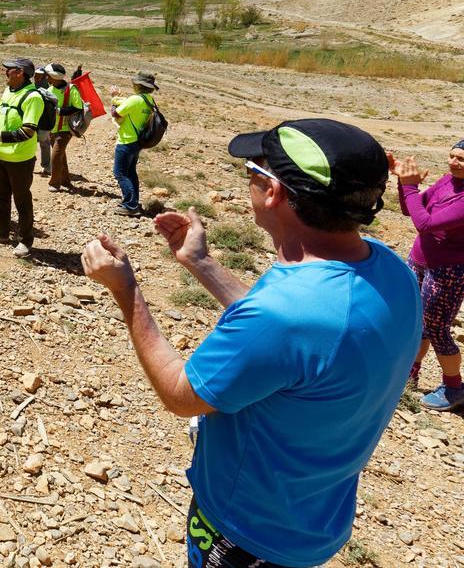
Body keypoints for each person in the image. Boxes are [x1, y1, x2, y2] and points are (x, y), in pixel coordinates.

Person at [81, 118, 419, 568]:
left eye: (253, 174)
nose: (250, 185)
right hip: (312, 519)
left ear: (274, 192)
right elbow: (293, 340)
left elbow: (181, 395)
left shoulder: (286, 313)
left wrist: (127, 290)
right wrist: (200, 262)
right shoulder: (387, 268)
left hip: (245, 530)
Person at [392, 141, 464, 412]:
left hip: (448, 270)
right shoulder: (448, 181)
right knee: (416, 321)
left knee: (437, 328)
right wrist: (403, 183)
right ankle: (409, 374)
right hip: (420, 259)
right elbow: (411, 209)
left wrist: (410, 186)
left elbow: (425, 223)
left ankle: (454, 386)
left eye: (461, 159)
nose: (453, 162)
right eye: (452, 156)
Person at [0, 58, 44, 258]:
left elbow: (28, 132)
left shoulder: (33, 97)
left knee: (22, 200)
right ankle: (2, 233)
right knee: (0, 197)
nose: (5, 72)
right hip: (0, 155)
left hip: (21, 159)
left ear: (20, 73)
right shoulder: (9, 91)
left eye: (9, 70)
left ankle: (25, 241)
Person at [109, 71, 158, 217]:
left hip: (126, 140)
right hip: (138, 141)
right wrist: (119, 98)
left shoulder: (135, 99)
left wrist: (113, 98)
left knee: (120, 173)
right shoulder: (149, 100)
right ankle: (133, 202)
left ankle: (130, 206)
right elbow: (129, 103)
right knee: (130, 173)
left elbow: (116, 113)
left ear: (138, 85)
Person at [43, 63, 84, 192]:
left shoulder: (71, 89)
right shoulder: (49, 90)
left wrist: (60, 111)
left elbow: (78, 107)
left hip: (65, 129)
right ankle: (66, 182)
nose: (46, 78)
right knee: (61, 156)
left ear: (54, 76)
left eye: (48, 75)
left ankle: (54, 183)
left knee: (55, 155)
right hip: (52, 129)